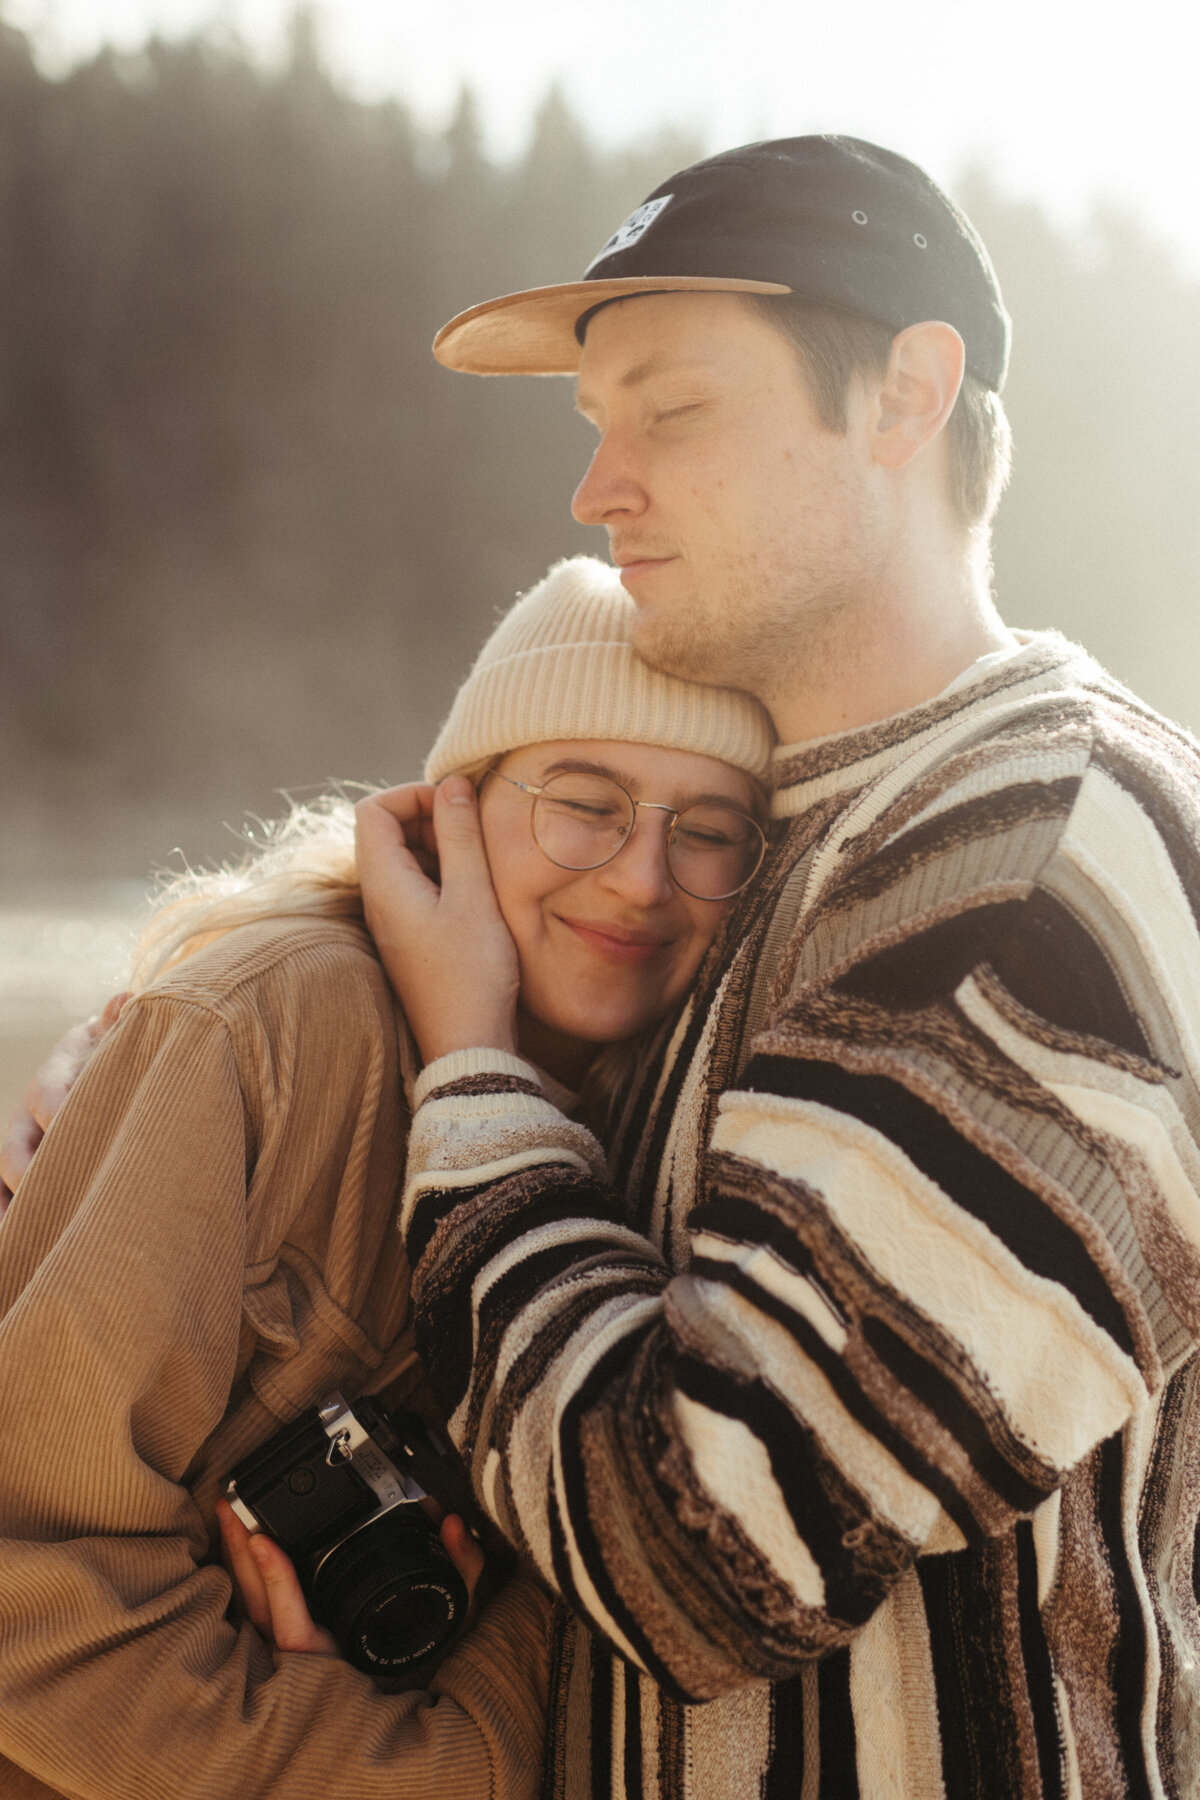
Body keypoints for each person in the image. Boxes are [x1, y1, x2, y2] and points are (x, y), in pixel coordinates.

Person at [353, 137, 1200, 1797]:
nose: (599, 490)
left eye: (671, 413)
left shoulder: (1037, 850)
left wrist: (473, 1078)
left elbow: (707, 1553)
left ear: (906, 395)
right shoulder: (790, 841)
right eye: (597, 428)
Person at [0, 554, 774, 1800]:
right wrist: (390, 1770)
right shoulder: (279, 1028)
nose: (641, 877)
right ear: (455, 809)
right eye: (587, 800)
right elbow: (30, 1583)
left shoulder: (687, 1151)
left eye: (712, 830)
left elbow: (599, 1605)